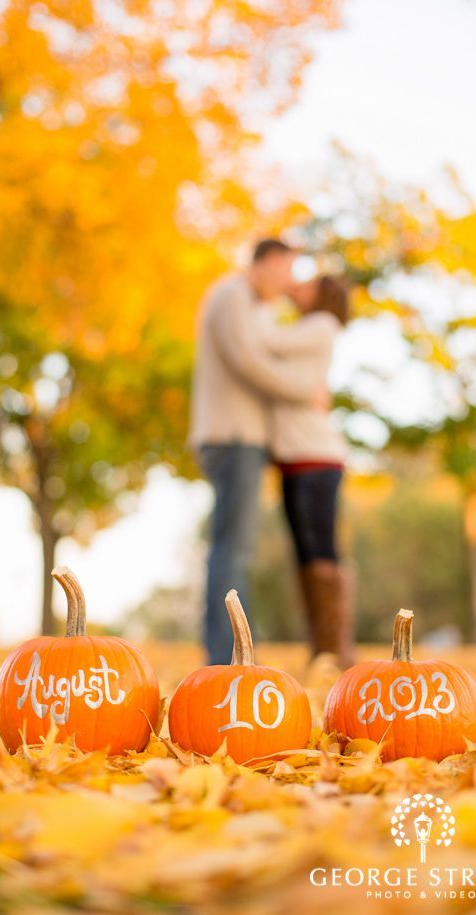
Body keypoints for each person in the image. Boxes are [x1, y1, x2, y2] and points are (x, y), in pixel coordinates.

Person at [189, 239, 322, 664]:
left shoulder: (255, 308)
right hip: (231, 437)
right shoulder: (231, 295)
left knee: (235, 548)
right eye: (286, 271)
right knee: (233, 550)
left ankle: (231, 653)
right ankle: (225, 656)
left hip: (245, 440)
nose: (288, 283)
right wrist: (306, 391)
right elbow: (246, 360)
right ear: (265, 262)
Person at [257, 274, 355, 667]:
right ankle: (321, 648)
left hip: (317, 455)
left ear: (324, 294)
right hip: (294, 458)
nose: (299, 285)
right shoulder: (303, 329)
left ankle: (337, 647)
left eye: (309, 283)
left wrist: (268, 293)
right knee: (304, 553)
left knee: (321, 550)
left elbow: (266, 341)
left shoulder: (321, 325)